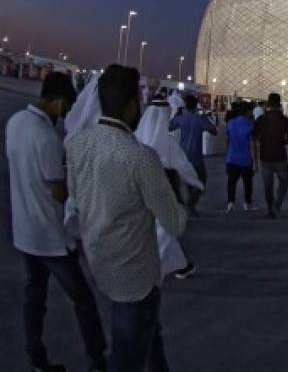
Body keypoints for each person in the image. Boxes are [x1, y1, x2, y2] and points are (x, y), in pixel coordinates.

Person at [66, 65, 187, 372]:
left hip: (97, 261)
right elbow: (175, 223)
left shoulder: (77, 144)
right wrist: (174, 191)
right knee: (128, 353)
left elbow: (76, 197)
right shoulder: (140, 158)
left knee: (148, 337)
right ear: (132, 104)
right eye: (141, 97)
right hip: (134, 278)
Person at [7, 72, 107, 372]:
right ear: (60, 102)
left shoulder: (15, 123)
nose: (65, 115)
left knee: (33, 300)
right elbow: (58, 191)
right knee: (83, 299)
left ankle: (36, 357)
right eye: (66, 107)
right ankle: (98, 358)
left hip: (24, 232)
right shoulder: (46, 137)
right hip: (50, 239)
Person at [135, 97, 202, 280]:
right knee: (163, 231)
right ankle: (152, 271)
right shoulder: (167, 142)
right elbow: (183, 166)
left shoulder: (137, 137)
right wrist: (196, 182)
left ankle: (182, 266)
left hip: (139, 189)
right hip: (164, 189)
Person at [168, 94, 217, 216]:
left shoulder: (181, 119)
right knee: (201, 182)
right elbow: (214, 131)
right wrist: (206, 118)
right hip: (197, 158)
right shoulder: (199, 119)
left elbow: (169, 127)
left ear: (185, 106)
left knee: (185, 183)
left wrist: (176, 115)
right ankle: (191, 204)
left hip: (183, 156)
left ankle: (186, 206)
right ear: (196, 106)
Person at [252, 92, 288, 218]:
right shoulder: (284, 120)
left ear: (268, 103)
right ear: (279, 103)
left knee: (268, 185)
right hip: (280, 156)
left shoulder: (261, 119)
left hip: (265, 157)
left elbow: (253, 137)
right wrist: (283, 142)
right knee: (285, 181)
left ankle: (270, 210)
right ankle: (277, 204)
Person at [225, 103, 258, 211]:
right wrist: (256, 162)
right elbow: (253, 144)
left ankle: (231, 203)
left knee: (231, 182)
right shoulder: (250, 124)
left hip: (231, 158)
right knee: (248, 182)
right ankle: (247, 204)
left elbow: (228, 140)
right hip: (245, 159)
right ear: (247, 111)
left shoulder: (230, 123)